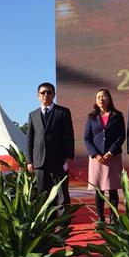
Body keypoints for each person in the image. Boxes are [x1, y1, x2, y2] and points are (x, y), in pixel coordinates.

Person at [26, 82, 75, 215]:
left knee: (62, 193)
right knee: (44, 195)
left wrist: (68, 157)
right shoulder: (33, 115)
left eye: (49, 92)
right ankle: (49, 222)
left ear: (54, 94)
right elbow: (30, 139)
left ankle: (64, 223)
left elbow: (69, 136)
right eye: (42, 93)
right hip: (40, 162)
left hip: (59, 161)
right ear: (38, 95)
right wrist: (29, 160)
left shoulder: (63, 112)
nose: (46, 95)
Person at [84, 88, 126, 228]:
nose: (101, 99)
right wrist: (96, 154)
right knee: (99, 190)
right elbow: (87, 138)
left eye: (104, 96)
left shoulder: (117, 115)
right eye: (98, 97)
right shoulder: (91, 117)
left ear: (109, 98)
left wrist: (111, 152)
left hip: (112, 157)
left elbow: (121, 136)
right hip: (97, 158)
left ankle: (114, 218)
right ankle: (100, 218)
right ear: (96, 101)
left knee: (113, 189)